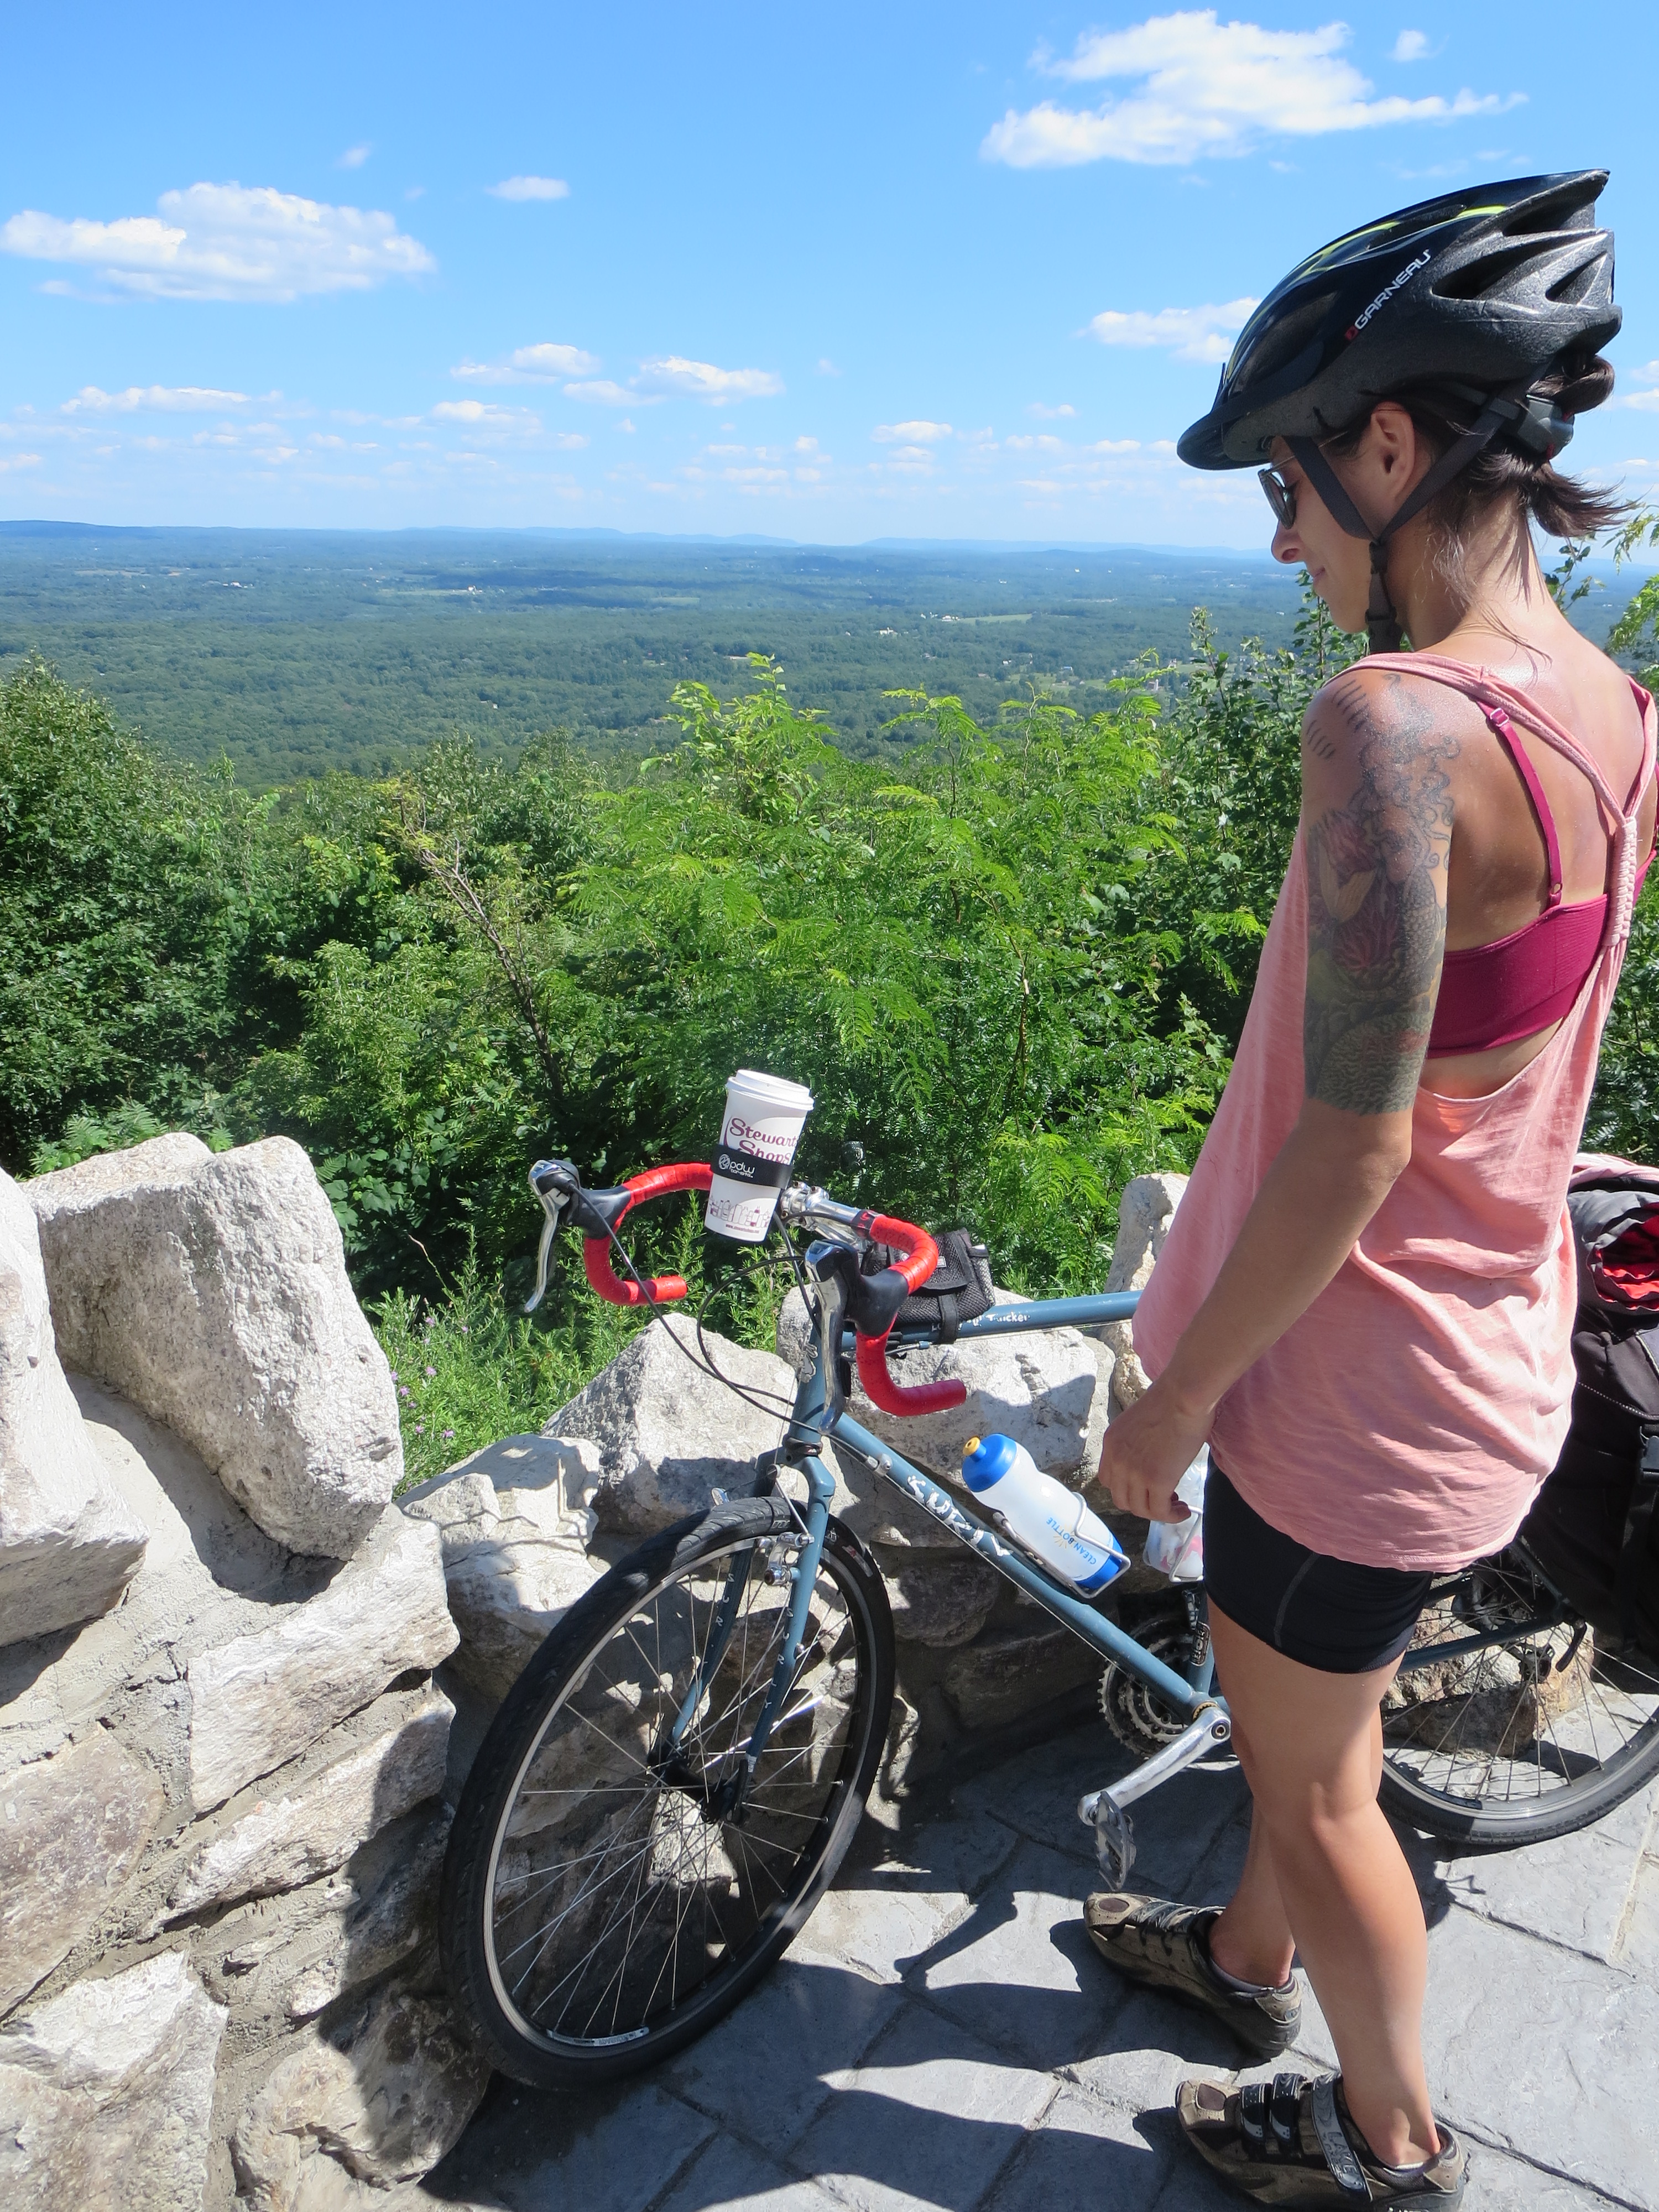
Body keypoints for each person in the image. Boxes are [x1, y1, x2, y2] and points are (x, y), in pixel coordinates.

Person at [1087, 171, 1655, 2209]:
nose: (1281, 536)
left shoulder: (1394, 725)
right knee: (1297, 1727)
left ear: (1391, 446)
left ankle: (1385, 2139)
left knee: (1318, 1784)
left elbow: (1351, 1144)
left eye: (1290, 483)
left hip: (1352, 1394)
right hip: (1484, 1348)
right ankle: (1245, 1967)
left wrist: (1166, 1411)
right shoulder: (1616, 714)